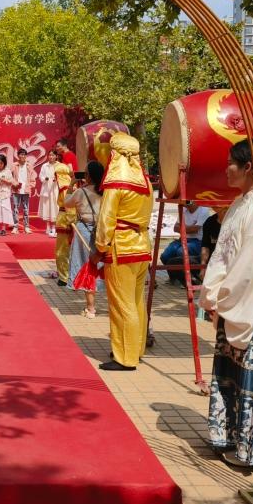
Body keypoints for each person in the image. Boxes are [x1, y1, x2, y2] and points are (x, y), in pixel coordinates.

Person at [199, 140, 253, 469]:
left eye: (230, 163)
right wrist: (215, 297)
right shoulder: (240, 203)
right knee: (233, 378)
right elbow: (224, 255)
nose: (226, 169)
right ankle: (233, 437)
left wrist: (218, 297)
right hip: (232, 301)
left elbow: (251, 266)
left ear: (248, 166)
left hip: (252, 306)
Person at [93, 133, 153, 372]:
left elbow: (106, 220)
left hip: (121, 248)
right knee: (137, 302)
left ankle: (125, 357)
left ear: (114, 154)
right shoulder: (146, 183)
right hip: (142, 246)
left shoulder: (115, 183)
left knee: (122, 305)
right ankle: (135, 349)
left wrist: (100, 248)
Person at [66, 160, 105, 317]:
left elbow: (66, 203)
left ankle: (90, 307)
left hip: (84, 230)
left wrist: (71, 185)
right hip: (104, 231)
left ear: (88, 176)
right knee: (103, 267)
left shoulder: (80, 192)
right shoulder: (107, 192)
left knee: (86, 267)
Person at [160, 201, 212, 286]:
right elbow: (175, 228)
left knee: (181, 252)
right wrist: (190, 227)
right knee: (165, 256)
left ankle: (190, 278)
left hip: (198, 241)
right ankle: (175, 277)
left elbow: (195, 229)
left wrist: (183, 227)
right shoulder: (183, 209)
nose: (184, 203)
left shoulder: (203, 210)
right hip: (183, 239)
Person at [53, 163, 76, 285]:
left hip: (65, 220)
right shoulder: (70, 186)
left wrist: (71, 221)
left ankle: (64, 277)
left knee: (62, 250)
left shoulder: (64, 188)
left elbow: (69, 206)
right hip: (67, 219)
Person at [11, 147, 35, 234]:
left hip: (26, 189)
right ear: (18, 156)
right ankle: (15, 227)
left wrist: (31, 185)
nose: (23, 156)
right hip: (16, 189)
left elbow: (32, 177)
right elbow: (10, 176)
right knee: (15, 209)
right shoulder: (14, 165)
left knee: (26, 209)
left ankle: (26, 227)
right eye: (21, 154)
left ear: (26, 156)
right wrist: (14, 183)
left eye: (24, 155)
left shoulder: (29, 165)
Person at [38, 148, 59, 237]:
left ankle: (54, 227)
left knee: (54, 206)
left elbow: (61, 176)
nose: (51, 157)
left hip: (55, 188)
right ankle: (47, 226)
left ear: (56, 156)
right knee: (46, 206)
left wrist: (56, 179)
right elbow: (41, 176)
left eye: (52, 155)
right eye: (49, 155)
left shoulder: (59, 165)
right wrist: (45, 179)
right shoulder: (44, 166)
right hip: (46, 188)